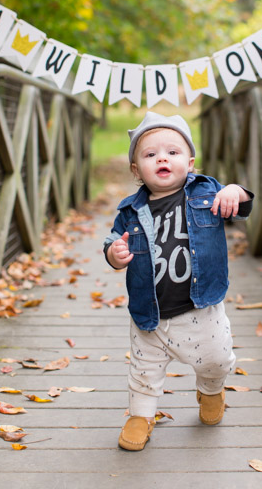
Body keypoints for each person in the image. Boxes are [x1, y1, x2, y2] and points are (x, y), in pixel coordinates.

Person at [103, 111, 254, 451]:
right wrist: (115, 254)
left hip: (200, 306)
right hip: (150, 311)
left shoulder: (206, 191)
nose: (162, 158)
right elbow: (113, 242)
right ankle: (141, 415)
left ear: (190, 161)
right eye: (150, 154)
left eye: (172, 152)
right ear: (136, 169)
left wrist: (234, 191)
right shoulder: (129, 210)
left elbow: (241, 205)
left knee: (216, 358)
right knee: (144, 370)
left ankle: (211, 389)